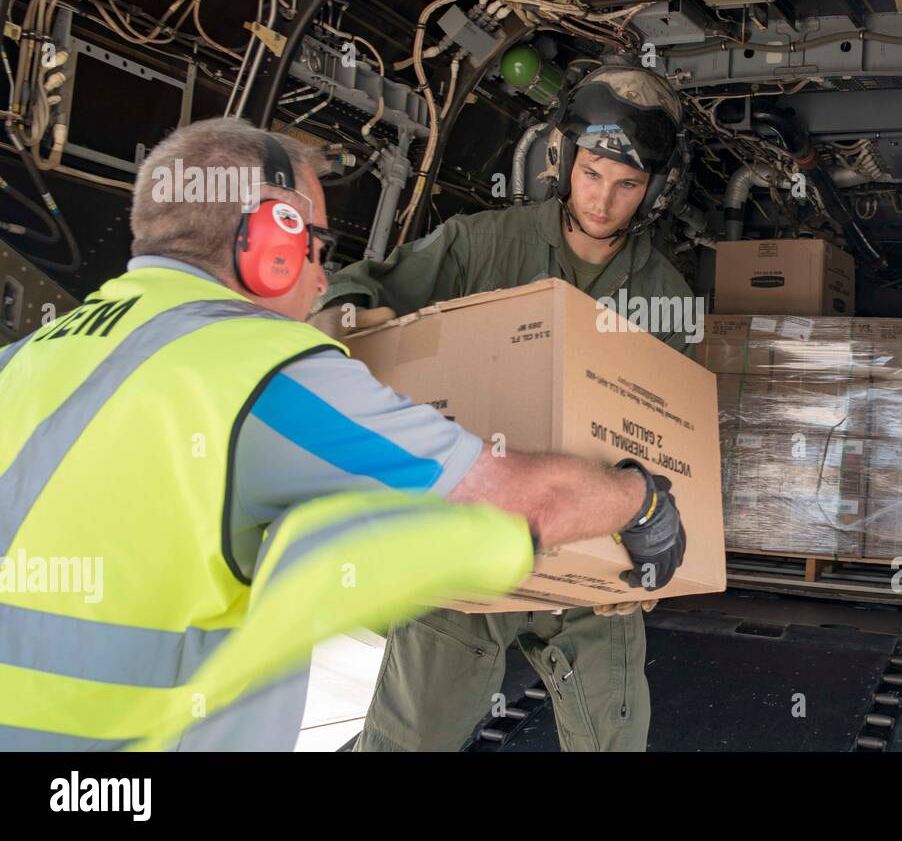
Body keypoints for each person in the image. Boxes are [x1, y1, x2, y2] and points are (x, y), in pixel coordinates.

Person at [0, 116, 684, 750]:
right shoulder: (275, 376)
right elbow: (516, 501)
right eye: (313, 246)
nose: (324, 274)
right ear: (268, 246)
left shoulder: (24, 358)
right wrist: (642, 501)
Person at [317, 65, 697, 752]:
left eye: (627, 184)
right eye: (592, 174)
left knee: (615, 738)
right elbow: (365, 287)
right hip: (469, 531)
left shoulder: (665, 294)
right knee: (409, 738)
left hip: (589, 555)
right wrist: (340, 317)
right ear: (563, 159)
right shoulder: (480, 244)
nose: (604, 200)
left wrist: (656, 555)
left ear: (654, 191)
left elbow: (677, 443)